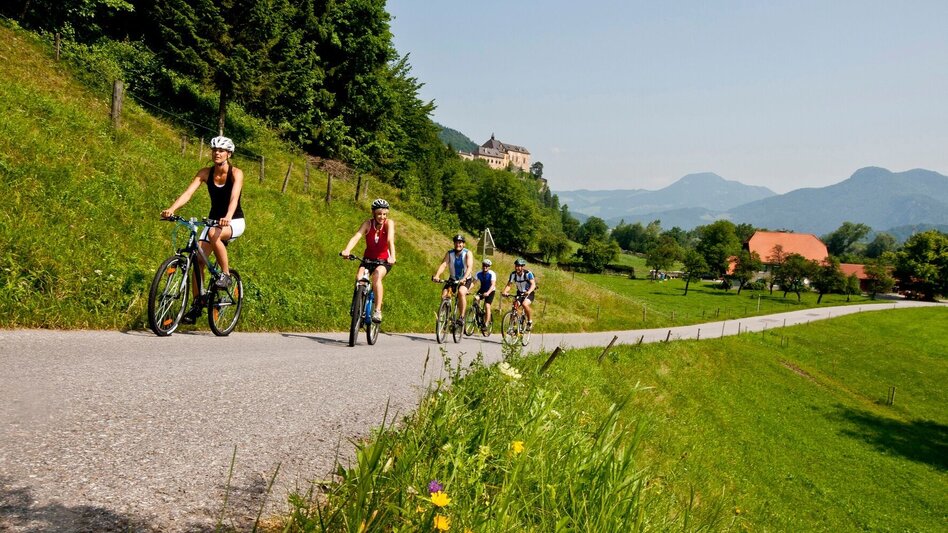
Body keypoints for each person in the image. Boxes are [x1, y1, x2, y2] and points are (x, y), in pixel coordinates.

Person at [161, 135, 245, 324]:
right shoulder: (205, 173)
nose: (217, 153)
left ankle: (225, 275)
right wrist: (172, 209)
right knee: (198, 259)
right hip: (214, 222)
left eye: (221, 150)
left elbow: (234, 198)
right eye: (215, 150)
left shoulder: (236, 173)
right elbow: (188, 193)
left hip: (234, 221)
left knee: (215, 235)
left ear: (229, 154)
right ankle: (197, 303)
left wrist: (228, 218)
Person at [341, 198, 396, 323]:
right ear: (373, 213)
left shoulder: (389, 223)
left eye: (384, 214)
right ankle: (357, 306)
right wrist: (347, 250)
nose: (382, 217)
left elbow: (390, 240)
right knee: (359, 277)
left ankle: (377, 310)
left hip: (384, 260)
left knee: (377, 276)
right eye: (379, 214)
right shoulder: (367, 224)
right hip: (368, 258)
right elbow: (356, 237)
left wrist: (392, 256)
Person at [432, 234, 474, 326]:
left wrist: (464, 278)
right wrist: (437, 275)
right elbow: (443, 264)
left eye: (460, 242)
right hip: (453, 278)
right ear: (454, 243)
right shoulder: (449, 253)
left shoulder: (467, 253)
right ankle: (444, 316)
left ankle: (461, 317)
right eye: (456, 242)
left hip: (466, 278)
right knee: (444, 294)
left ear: (464, 244)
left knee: (461, 292)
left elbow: (469, 267)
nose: (458, 244)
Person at [501, 257, 537, 330]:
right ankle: (512, 326)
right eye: (516, 266)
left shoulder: (528, 274)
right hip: (520, 293)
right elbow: (509, 285)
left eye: (519, 266)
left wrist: (528, 292)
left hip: (529, 293)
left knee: (524, 304)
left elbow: (533, 284)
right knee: (515, 306)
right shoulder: (513, 274)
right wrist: (505, 291)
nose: (517, 267)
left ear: (522, 267)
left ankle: (529, 321)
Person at [474, 258, 497, 330]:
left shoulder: (492, 274)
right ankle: (478, 314)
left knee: (487, 305)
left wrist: (488, 293)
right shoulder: (478, 273)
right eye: (484, 265)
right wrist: (467, 290)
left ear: (489, 267)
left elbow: (493, 285)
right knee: (475, 299)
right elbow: (473, 283)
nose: (485, 267)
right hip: (483, 289)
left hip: (491, 290)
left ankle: (486, 324)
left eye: (487, 266)